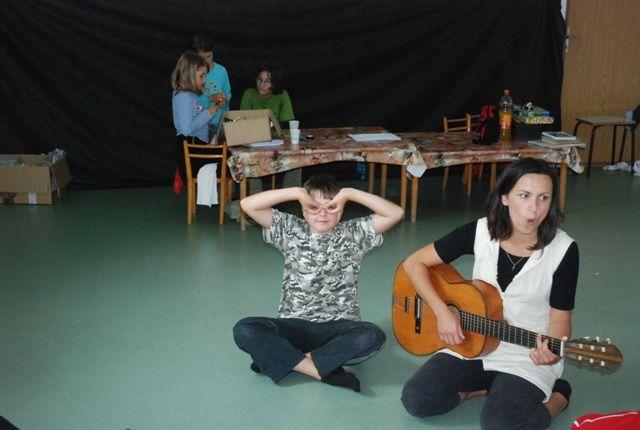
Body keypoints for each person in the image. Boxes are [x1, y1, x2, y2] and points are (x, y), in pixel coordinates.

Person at [400, 158, 578, 429]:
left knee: (499, 425)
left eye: (544, 198)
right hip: (471, 340)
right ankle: (481, 389)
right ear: (505, 197)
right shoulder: (481, 231)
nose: (534, 208)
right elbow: (414, 263)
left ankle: (557, 399)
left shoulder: (564, 250)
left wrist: (552, 350)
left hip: (525, 354)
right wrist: (442, 311)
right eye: (524, 196)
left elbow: (560, 319)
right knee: (417, 399)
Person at [233, 175, 404, 392]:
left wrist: (349, 193)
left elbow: (395, 213)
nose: (322, 214)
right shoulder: (290, 229)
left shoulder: (355, 233)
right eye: (313, 207)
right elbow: (248, 204)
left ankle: (284, 359)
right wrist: (296, 192)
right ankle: (320, 370)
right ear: (303, 209)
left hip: (338, 330)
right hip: (294, 326)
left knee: (372, 336)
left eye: (331, 207)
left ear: (341, 209)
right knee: (245, 329)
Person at [239, 61, 299, 194]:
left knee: (297, 153)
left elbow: (287, 124)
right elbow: (242, 122)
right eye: (259, 79)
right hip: (253, 140)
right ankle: (256, 195)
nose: (262, 84)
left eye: (267, 81)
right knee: (250, 155)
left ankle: (290, 194)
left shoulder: (282, 95)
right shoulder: (249, 93)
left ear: (275, 83)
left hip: (276, 140)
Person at [171, 51, 220, 182]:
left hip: (196, 147)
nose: (204, 80)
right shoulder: (183, 97)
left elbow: (195, 120)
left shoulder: (191, 96)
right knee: (230, 160)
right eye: (201, 76)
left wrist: (207, 117)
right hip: (191, 150)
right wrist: (208, 114)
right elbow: (186, 130)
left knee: (229, 157)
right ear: (189, 74)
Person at [188, 33, 231, 137]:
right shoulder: (192, 74)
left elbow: (227, 92)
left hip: (220, 124)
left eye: (209, 56)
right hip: (200, 127)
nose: (207, 61)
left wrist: (225, 100)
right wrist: (211, 98)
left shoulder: (221, 71)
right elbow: (191, 103)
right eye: (202, 58)